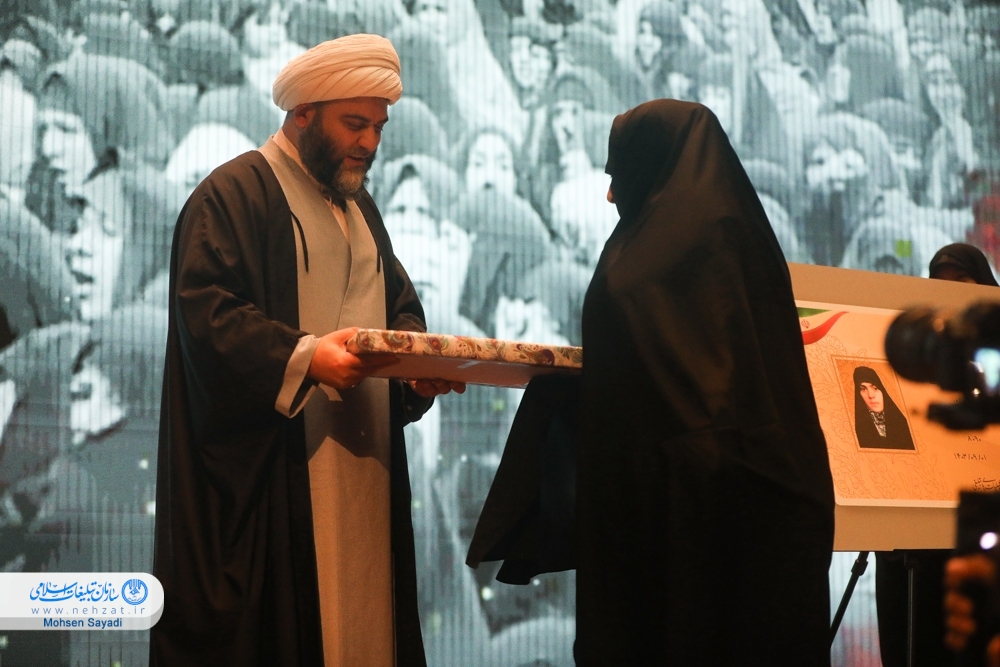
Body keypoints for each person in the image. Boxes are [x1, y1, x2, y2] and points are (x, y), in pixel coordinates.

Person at [150, 34, 464, 667]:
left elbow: (399, 307)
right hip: (276, 485)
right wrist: (306, 359)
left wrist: (415, 374)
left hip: (366, 476)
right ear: (302, 114)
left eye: (378, 127)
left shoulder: (362, 210)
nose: (370, 142)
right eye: (355, 124)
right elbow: (207, 319)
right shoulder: (232, 195)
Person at [576, 100, 834, 664]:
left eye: (619, 173)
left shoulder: (633, 267)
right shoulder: (749, 243)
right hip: (776, 511)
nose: (612, 194)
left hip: (674, 522)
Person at [852, 366, 914, 450]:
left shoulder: (902, 423)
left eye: (875, 388)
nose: (871, 395)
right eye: (863, 389)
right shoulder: (859, 428)